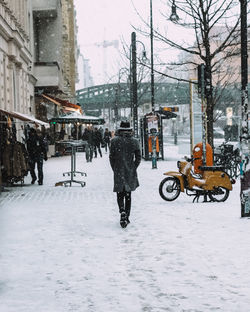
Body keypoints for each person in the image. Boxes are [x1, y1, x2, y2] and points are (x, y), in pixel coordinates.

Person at [109, 121, 141, 228]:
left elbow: (111, 157)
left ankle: (121, 211)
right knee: (128, 194)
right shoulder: (134, 141)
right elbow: (138, 157)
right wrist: (133, 167)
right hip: (129, 171)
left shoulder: (114, 141)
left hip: (118, 169)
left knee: (119, 193)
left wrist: (115, 168)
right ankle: (127, 216)